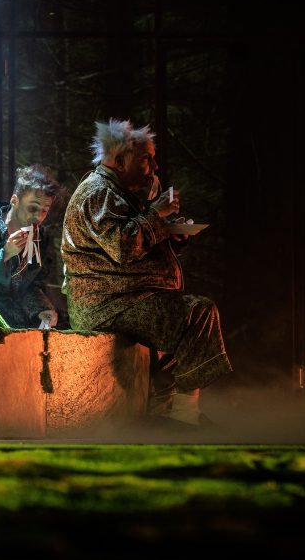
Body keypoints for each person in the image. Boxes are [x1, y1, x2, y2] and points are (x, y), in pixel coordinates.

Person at [61, 119, 231, 426]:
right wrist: (155, 213)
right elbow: (123, 246)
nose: (154, 166)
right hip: (109, 305)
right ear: (120, 160)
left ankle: (167, 412)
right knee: (197, 314)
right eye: (146, 158)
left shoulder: (115, 192)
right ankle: (183, 415)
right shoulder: (98, 193)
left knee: (181, 322)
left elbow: (134, 241)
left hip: (127, 299)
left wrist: (170, 233)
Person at [0, 163, 62, 328]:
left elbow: (31, 285)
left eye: (45, 210)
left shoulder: (39, 238)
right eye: (33, 208)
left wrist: (41, 309)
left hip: (16, 326)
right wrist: (3, 254)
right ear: (14, 201)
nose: (38, 217)